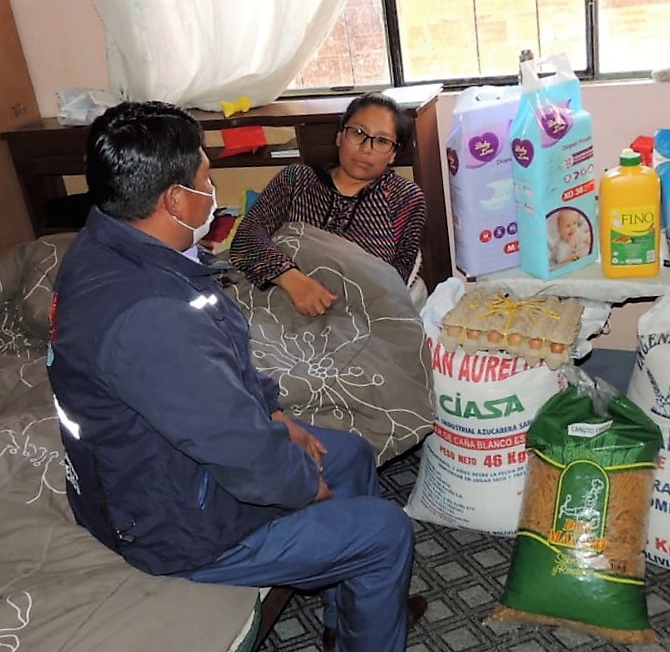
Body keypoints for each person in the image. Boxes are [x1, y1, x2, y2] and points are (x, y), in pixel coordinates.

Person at [46, 101, 425, 652]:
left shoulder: (120, 246)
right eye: (205, 175)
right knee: (386, 531)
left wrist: (273, 411)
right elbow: (236, 448)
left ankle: (354, 613)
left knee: (351, 454)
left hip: (172, 470)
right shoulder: (147, 316)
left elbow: (222, 362)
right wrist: (303, 488)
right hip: (175, 522)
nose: (213, 188)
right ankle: (367, 612)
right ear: (175, 199)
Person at [229, 92, 426, 317]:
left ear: (393, 154)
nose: (366, 148)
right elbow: (246, 237)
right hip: (278, 300)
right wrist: (292, 280)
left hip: (356, 317)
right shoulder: (296, 179)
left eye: (382, 141)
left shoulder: (405, 198)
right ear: (340, 137)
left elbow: (396, 279)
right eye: (359, 133)